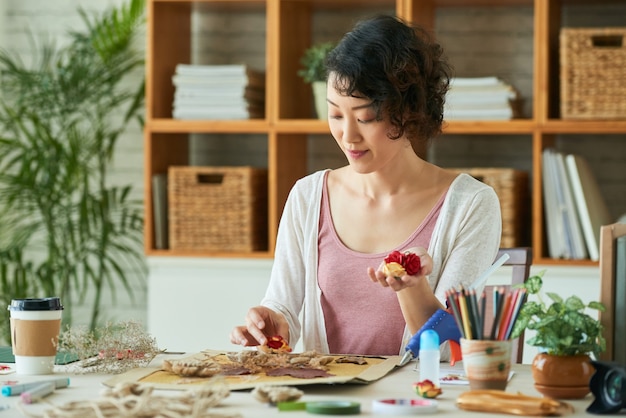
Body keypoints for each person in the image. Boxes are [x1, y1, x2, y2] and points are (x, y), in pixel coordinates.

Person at [230, 14, 501, 357]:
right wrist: (273, 321)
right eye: (336, 114)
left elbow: (449, 349)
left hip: (416, 405)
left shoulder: (471, 204)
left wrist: (413, 288)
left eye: (365, 117)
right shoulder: (308, 196)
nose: (348, 135)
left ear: (409, 110)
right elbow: (283, 307)